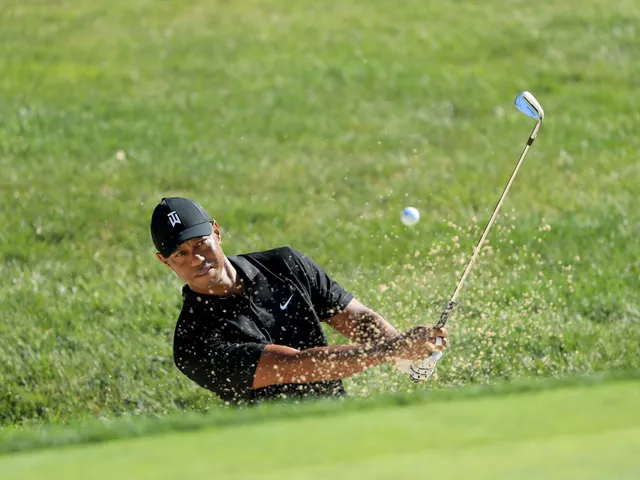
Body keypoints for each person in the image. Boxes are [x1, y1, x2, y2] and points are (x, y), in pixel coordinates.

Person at [150, 197, 448, 405]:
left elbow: (356, 318)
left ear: (216, 231)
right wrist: (391, 349)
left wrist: (406, 352)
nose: (198, 259)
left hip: (339, 419)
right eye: (181, 254)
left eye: (201, 243)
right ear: (165, 261)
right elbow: (298, 366)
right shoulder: (193, 343)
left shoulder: (285, 264)